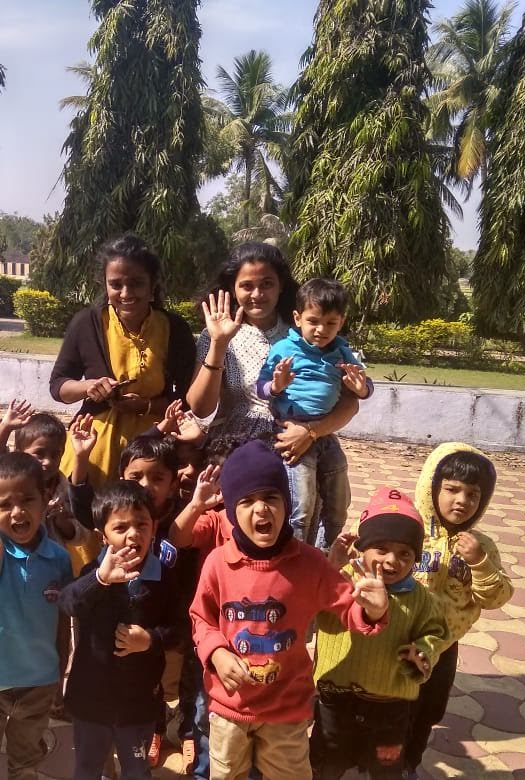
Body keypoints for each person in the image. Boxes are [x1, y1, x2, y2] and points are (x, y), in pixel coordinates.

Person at [188, 440, 389, 780]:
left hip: (287, 708)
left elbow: (347, 607)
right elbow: (200, 618)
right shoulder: (218, 563)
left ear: (287, 502)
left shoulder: (309, 563)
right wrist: (217, 653)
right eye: (247, 501)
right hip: (230, 705)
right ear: (231, 511)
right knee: (226, 774)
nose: (261, 509)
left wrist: (373, 610)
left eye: (271, 497)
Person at [186, 242, 361, 554]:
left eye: (267, 284)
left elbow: (350, 402)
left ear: (281, 286)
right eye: (247, 285)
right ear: (232, 288)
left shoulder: (310, 330)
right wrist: (218, 343)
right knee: (242, 545)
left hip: (302, 447)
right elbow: (200, 408)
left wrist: (310, 432)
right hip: (239, 453)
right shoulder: (217, 334)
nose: (257, 294)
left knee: (300, 528)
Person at [311, 487, 449, 780]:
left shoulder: (421, 599)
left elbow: (436, 632)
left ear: (416, 558)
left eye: (404, 553)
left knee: (385, 766)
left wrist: (422, 652)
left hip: (391, 706)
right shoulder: (343, 581)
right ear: (362, 549)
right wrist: (330, 568)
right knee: (328, 759)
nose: (391, 560)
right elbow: (312, 603)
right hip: (336, 696)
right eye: (381, 549)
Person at [0, 452, 73, 780]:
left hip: (38, 681)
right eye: (5, 505)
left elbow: (63, 621)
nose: (17, 512)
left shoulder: (59, 559)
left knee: (26, 758)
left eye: (27, 500)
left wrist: (59, 672)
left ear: (45, 498)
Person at [58, 480, 185, 780]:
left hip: (138, 704)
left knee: (137, 770)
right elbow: (67, 604)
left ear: (154, 527)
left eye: (142, 524)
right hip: (91, 700)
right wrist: (100, 580)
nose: (133, 534)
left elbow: (180, 628)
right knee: (88, 768)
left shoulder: (163, 578)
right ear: (103, 536)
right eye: (121, 527)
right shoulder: (93, 574)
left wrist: (150, 639)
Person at [50, 233, 197, 487]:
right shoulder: (87, 324)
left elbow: (188, 399)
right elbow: (58, 386)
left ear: (152, 285)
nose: (126, 293)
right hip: (92, 452)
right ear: (105, 285)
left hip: (151, 459)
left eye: (137, 283)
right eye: (116, 284)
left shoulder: (174, 329)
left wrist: (146, 406)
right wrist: (89, 387)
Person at [403, 443, 513, 778]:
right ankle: (375, 760)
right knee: (391, 704)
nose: (462, 500)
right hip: (398, 638)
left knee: (428, 710)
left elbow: (495, 597)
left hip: (443, 646)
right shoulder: (408, 530)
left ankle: (408, 764)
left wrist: (480, 563)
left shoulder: (482, 547)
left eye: (473, 494)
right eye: (451, 489)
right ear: (431, 488)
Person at [255, 278, 373, 549]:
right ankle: (296, 555)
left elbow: (365, 385)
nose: (321, 330)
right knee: (302, 507)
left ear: (341, 322)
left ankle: (324, 554)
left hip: (326, 435)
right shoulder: (284, 350)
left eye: (331, 323)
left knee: (339, 503)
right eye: (313, 321)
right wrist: (275, 386)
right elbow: (260, 387)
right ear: (298, 318)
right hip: (292, 433)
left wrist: (362, 388)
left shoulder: (342, 351)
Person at [0, 400, 100, 575]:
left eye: (55, 455)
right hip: (11, 561)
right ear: (18, 452)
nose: (48, 462)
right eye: (39, 454)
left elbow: (81, 535)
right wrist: (5, 427)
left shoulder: (62, 491)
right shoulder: (12, 481)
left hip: (51, 568)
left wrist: (62, 523)